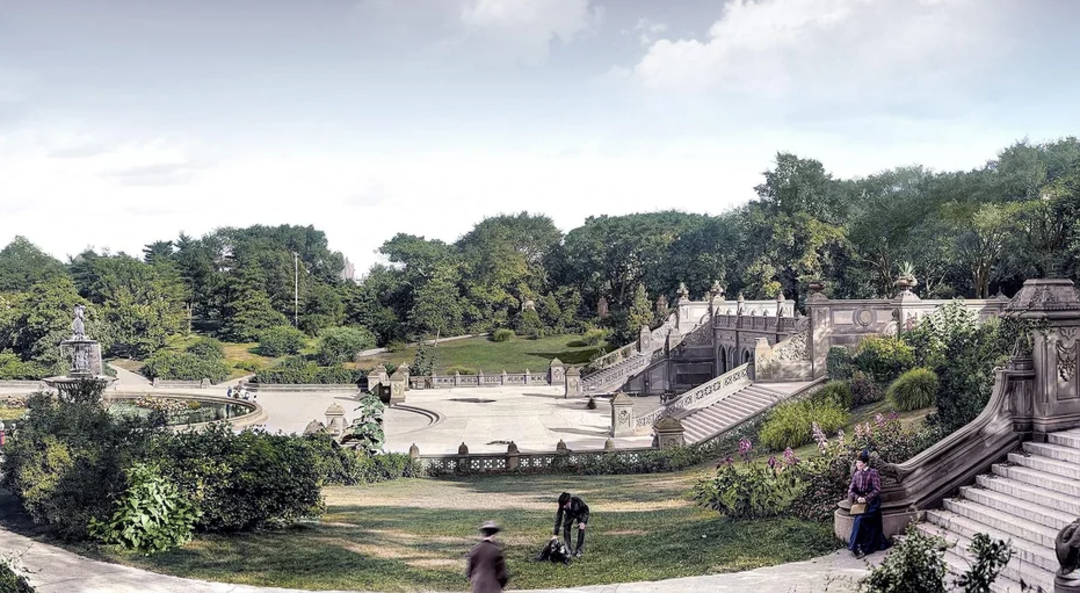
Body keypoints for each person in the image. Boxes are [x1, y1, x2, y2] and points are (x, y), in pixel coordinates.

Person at [848, 449, 888, 558]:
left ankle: (859, 546)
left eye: (859, 462)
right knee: (858, 518)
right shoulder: (857, 474)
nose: (857, 464)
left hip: (872, 503)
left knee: (861, 519)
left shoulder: (873, 472)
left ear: (865, 463)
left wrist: (866, 498)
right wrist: (858, 497)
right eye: (857, 462)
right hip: (861, 504)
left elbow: (877, 489)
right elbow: (851, 489)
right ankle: (856, 546)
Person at [466, 520, 508, 593]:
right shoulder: (496, 551)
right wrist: (500, 586)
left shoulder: (475, 550)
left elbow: (469, 572)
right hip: (493, 589)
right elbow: (502, 575)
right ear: (494, 535)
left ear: (483, 535)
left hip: (478, 588)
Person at [552, 492, 589, 557]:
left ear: (569, 501)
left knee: (582, 528)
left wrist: (583, 521)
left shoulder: (577, 501)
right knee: (566, 527)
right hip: (569, 514)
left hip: (580, 513)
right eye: (562, 505)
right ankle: (568, 551)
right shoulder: (562, 505)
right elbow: (558, 519)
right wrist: (555, 534)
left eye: (565, 505)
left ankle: (579, 551)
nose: (563, 507)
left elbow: (586, 510)